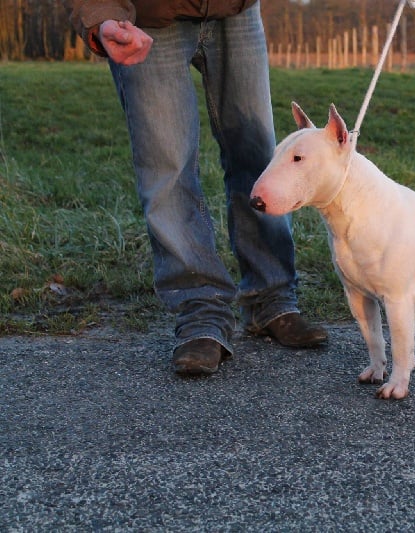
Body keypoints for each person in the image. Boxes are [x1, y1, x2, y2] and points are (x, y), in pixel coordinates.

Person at [62, 0, 327, 375]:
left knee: (258, 155)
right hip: (144, 17)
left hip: (235, 11)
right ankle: (201, 311)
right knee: (167, 166)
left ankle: (272, 297)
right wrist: (101, 15)